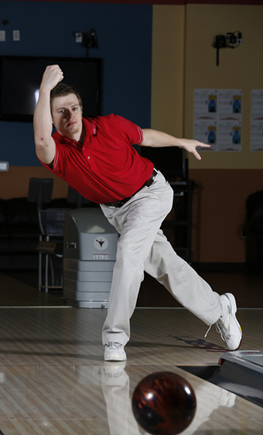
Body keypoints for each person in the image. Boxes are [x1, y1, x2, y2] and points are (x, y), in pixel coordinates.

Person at [33, 65, 241, 362]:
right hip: (118, 212)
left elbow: (145, 137)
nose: (70, 116)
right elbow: (41, 140)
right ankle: (220, 309)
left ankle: (114, 340)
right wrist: (44, 88)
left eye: (74, 108)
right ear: (50, 118)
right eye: (60, 112)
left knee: (128, 254)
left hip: (151, 193)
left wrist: (180, 142)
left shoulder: (109, 125)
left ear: (82, 108)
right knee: (167, 266)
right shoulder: (58, 153)